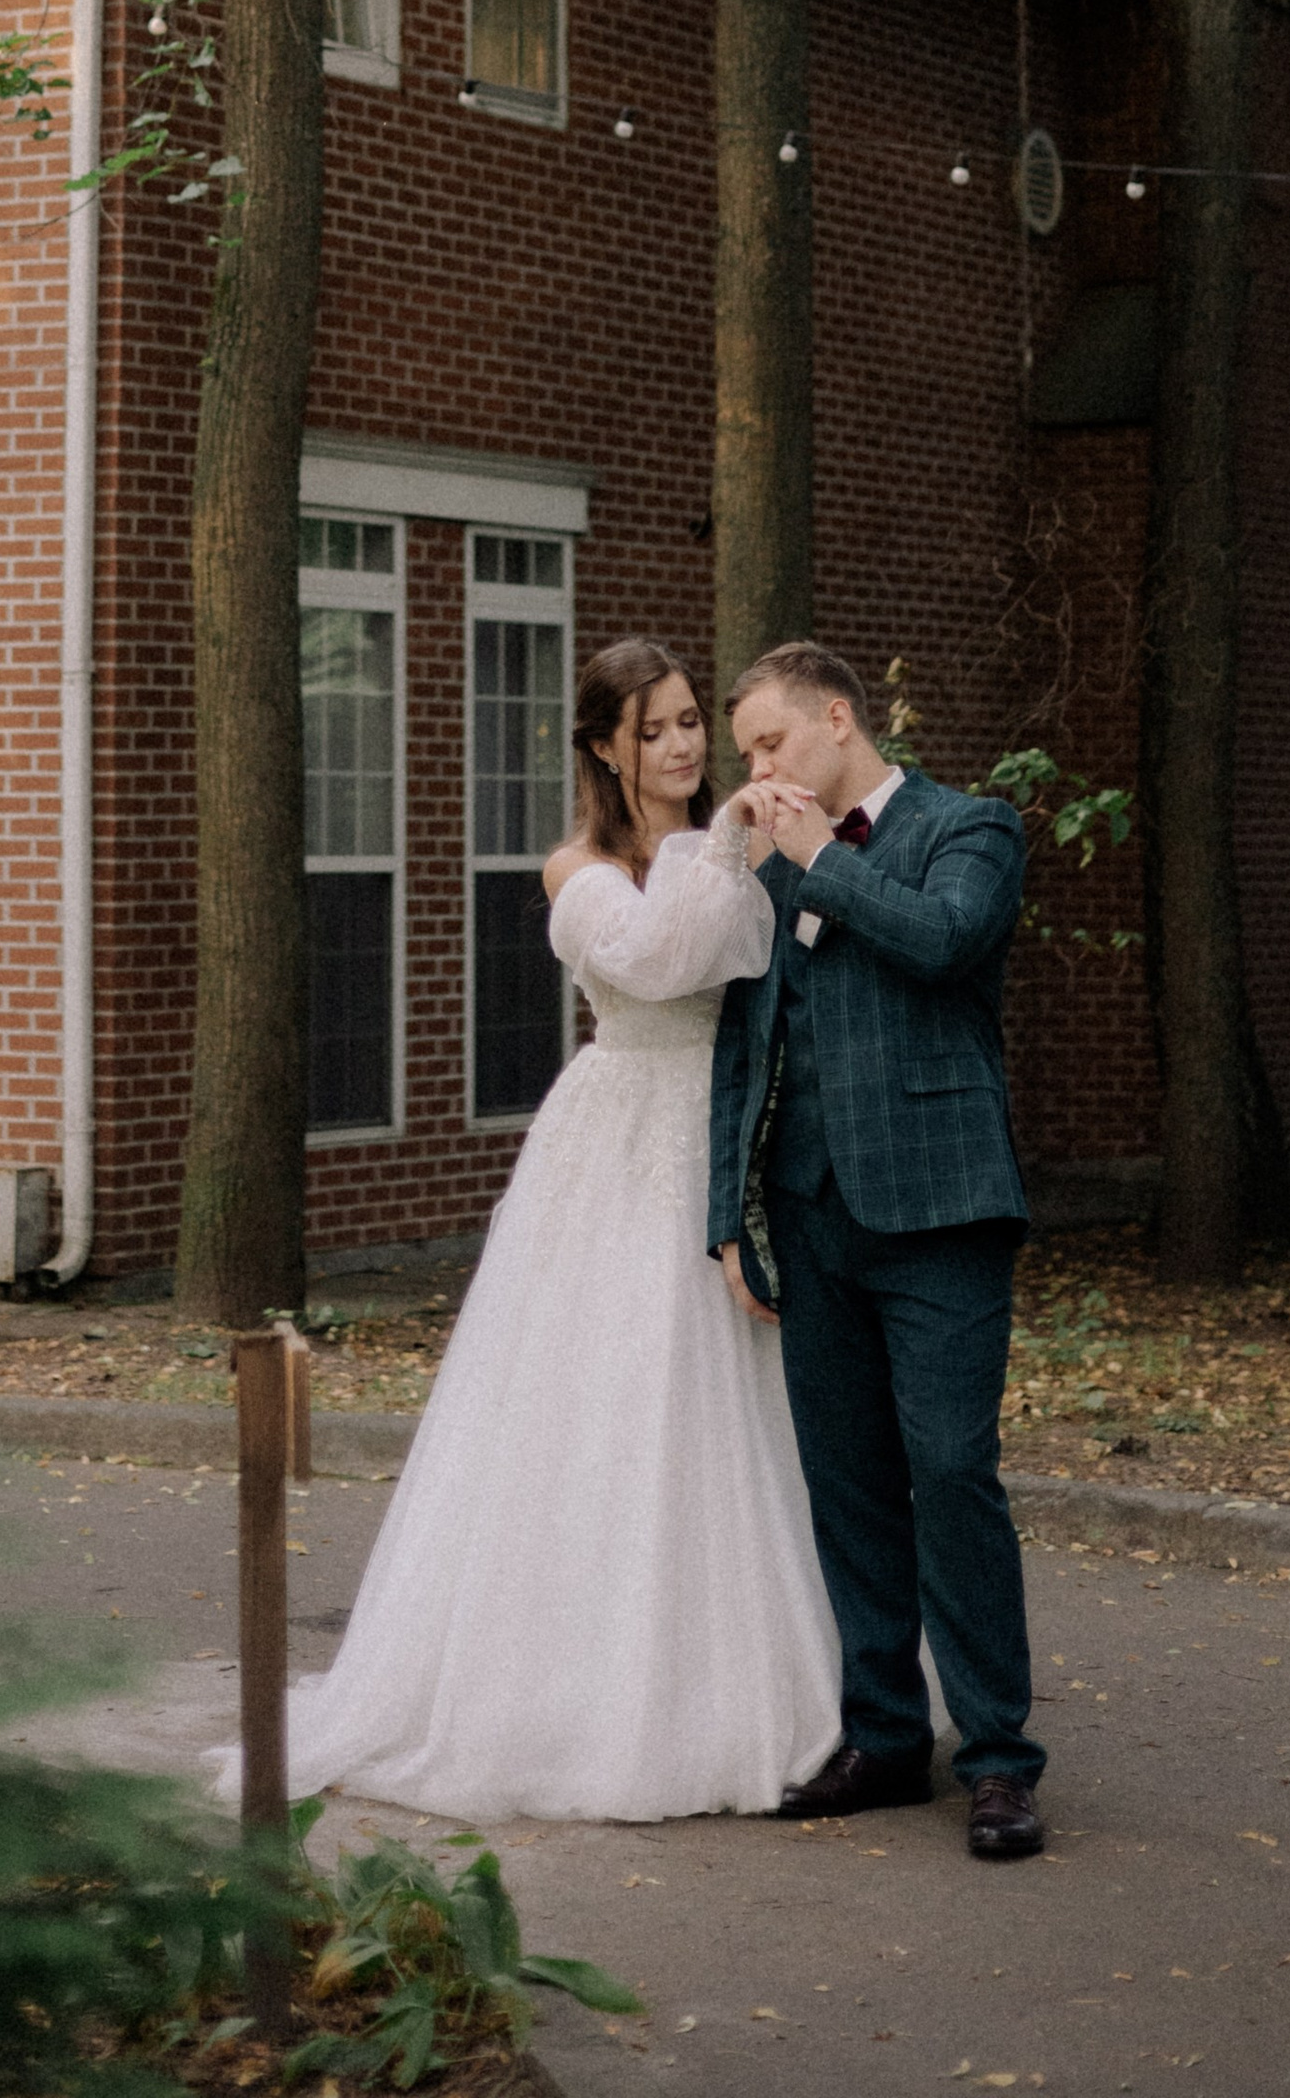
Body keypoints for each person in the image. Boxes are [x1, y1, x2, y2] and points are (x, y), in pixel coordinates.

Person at [277, 639, 840, 1824]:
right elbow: (653, 957)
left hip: (728, 1122)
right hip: (624, 1136)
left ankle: (786, 1678)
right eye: (656, 730)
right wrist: (729, 840)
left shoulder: (731, 840)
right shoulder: (574, 869)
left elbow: (763, 973)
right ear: (603, 747)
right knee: (621, 1396)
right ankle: (584, 1694)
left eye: (694, 723)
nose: (684, 747)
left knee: (747, 1404)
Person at [706, 640, 1047, 1862]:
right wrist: (728, 1222)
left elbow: (943, 941)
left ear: (836, 721)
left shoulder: (971, 828)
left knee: (950, 1473)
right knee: (845, 1488)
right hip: (808, 1212)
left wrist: (808, 863)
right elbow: (743, 1047)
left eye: (768, 744)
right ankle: (888, 1738)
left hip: (942, 1211)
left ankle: (999, 1760)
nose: (754, 771)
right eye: (745, 753)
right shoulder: (768, 860)